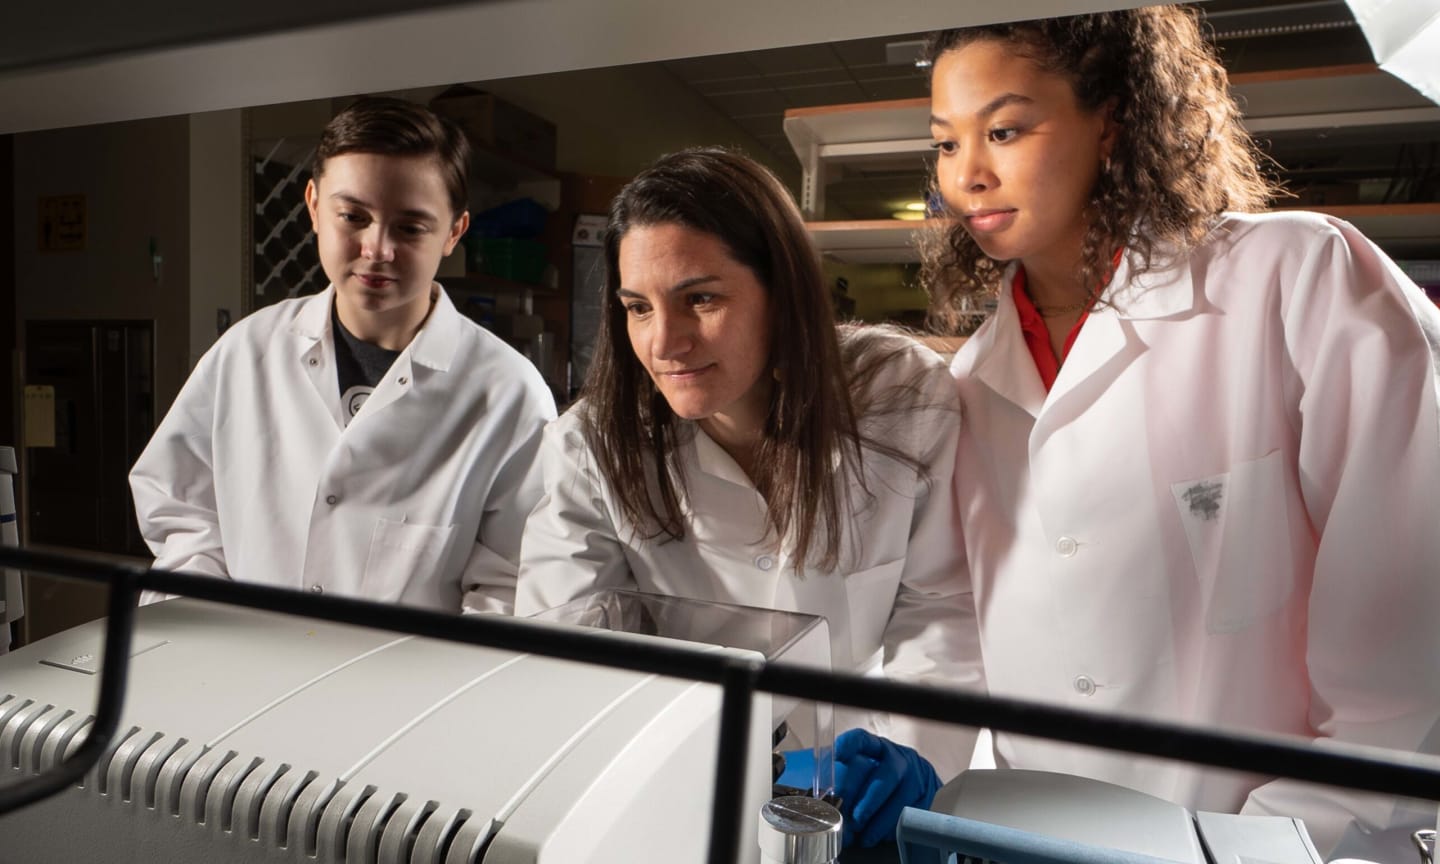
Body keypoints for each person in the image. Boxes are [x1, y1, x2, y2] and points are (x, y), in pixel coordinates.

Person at [924, 8, 1440, 860]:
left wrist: (1257, 845)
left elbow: (1408, 656)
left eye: (1005, 129)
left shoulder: (1297, 279)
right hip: (1035, 839)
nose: (968, 174)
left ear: (1112, 124)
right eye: (945, 143)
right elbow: (962, 645)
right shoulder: (972, 383)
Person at [515, 147, 982, 847]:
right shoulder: (592, 447)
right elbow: (570, 665)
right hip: (679, 793)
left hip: (868, 780)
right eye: (638, 307)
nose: (665, 341)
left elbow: (942, 609)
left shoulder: (897, 393)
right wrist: (726, 771)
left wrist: (910, 754)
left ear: (781, 290)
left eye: (701, 298)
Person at [131, 96, 555, 613]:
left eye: (410, 227)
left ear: (454, 232)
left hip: (407, 687)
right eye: (353, 216)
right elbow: (182, 512)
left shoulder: (508, 393)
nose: (377, 248)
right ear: (313, 206)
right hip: (244, 672)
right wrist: (204, 622)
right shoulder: (247, 353)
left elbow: (509, 586)